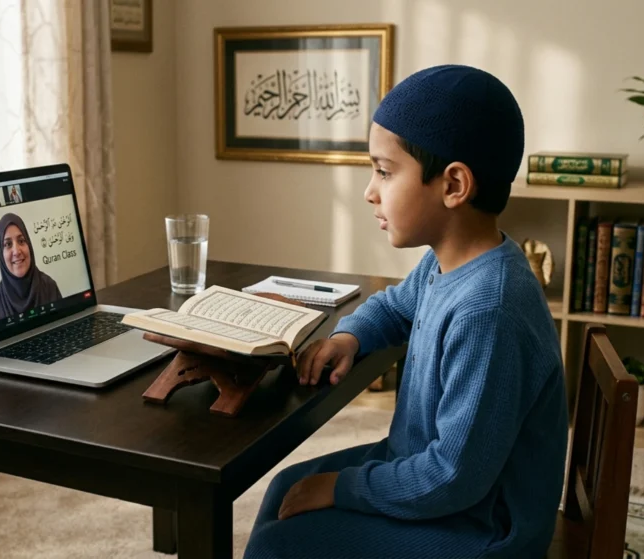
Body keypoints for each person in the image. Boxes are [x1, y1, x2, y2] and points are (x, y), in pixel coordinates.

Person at [243, 65, 569, 558]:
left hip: (482, 527)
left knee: (280, 545)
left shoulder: (490, 310)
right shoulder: (452, 260)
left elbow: (451, 476)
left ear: (454, 185)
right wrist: (351, 336)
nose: (370, 191)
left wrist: (343, 487)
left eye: (384, 171)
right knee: (285, 486)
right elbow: (397, 307)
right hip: (437, 479)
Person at [0, 212, 62, 319]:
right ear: (1, 253)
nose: (16, 251)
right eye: (8, 244)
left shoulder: (49, 287)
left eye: (21, 241)